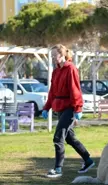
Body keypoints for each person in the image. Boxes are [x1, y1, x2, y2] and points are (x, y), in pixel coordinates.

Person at [42, 44, 95, 178]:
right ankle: (88, 160)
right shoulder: (56, 71)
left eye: (55, 55)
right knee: (70, 138)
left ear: (63, 55)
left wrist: (78, 108)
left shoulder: (71, 68)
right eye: (52, 55)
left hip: (70, 107)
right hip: (59, 107)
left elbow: (75, 89)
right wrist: (46, 107)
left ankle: (58, 169)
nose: (53, 58)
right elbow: (52, 92)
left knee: (58, 137)